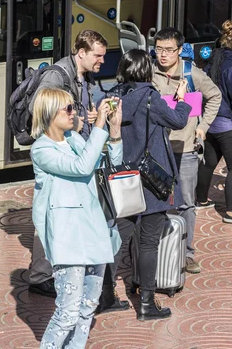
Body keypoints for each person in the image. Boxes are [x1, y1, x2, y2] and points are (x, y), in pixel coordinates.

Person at [30, 88, 123, 348]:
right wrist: (99, 127)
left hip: (95, 232)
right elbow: (81, 167)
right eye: (68, 108)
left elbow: (106, 165)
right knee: (68, 313)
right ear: (49, 113)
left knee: (87, 309)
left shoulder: (74, 139)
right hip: (68, 238)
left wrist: (113, 133)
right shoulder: (41, 150)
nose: (74, 113)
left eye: (74, 107)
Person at [106, 49, 191, 321]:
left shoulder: (113, 97)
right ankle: (146, 304)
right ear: (146, 70)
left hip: (123, 178)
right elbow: (177, 120)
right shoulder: (150, 98)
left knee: (118, 240)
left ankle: (105, 295)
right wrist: (182, 99)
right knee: (149, 244)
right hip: (151, 181)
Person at [28, 29, 107, 298]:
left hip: (73, 146)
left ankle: (55, 268)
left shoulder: (83, 76)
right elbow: (40, 107)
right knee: (51, 215)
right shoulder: (57, 75)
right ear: (81, 53)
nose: (102, 61)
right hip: (58, 152)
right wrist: (75, 123)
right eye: (98, 55)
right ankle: (40, 275)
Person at [151, 27, 221, 275]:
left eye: (169, 50)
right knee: (156, 202)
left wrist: (202, 128)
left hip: (187, 150)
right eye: (159, 49)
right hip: (158, 150)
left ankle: (187, 253)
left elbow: (215, 96)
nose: (163, 55)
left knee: (186, 204)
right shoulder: (151, 74)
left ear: (180, 50)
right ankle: (157, 248)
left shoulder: (192, 74)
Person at [195, 19, 232, 225]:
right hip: (228, 123)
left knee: (208, 162)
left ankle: (200, 199)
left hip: (210, 120)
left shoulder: (216, 57)